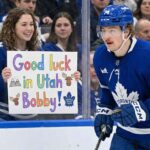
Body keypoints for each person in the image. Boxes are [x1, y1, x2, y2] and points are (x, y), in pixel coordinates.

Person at [93, 4, 150, 149]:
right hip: (125, 134)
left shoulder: (147, 55)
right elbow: (107, 90)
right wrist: (104, 111)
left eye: (112, 30)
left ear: (128, 31)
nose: (106, 36)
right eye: (103, 30)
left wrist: (141, 109)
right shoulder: (100, 56)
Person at [0, 7, 38, 120]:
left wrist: (68, 77)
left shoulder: (38, 52)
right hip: (5, 117)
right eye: (24, 24)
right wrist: (2, 79)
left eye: (31, 24)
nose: (29, 28)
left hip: (33, 117)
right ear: (12, 27)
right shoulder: (1, 51)